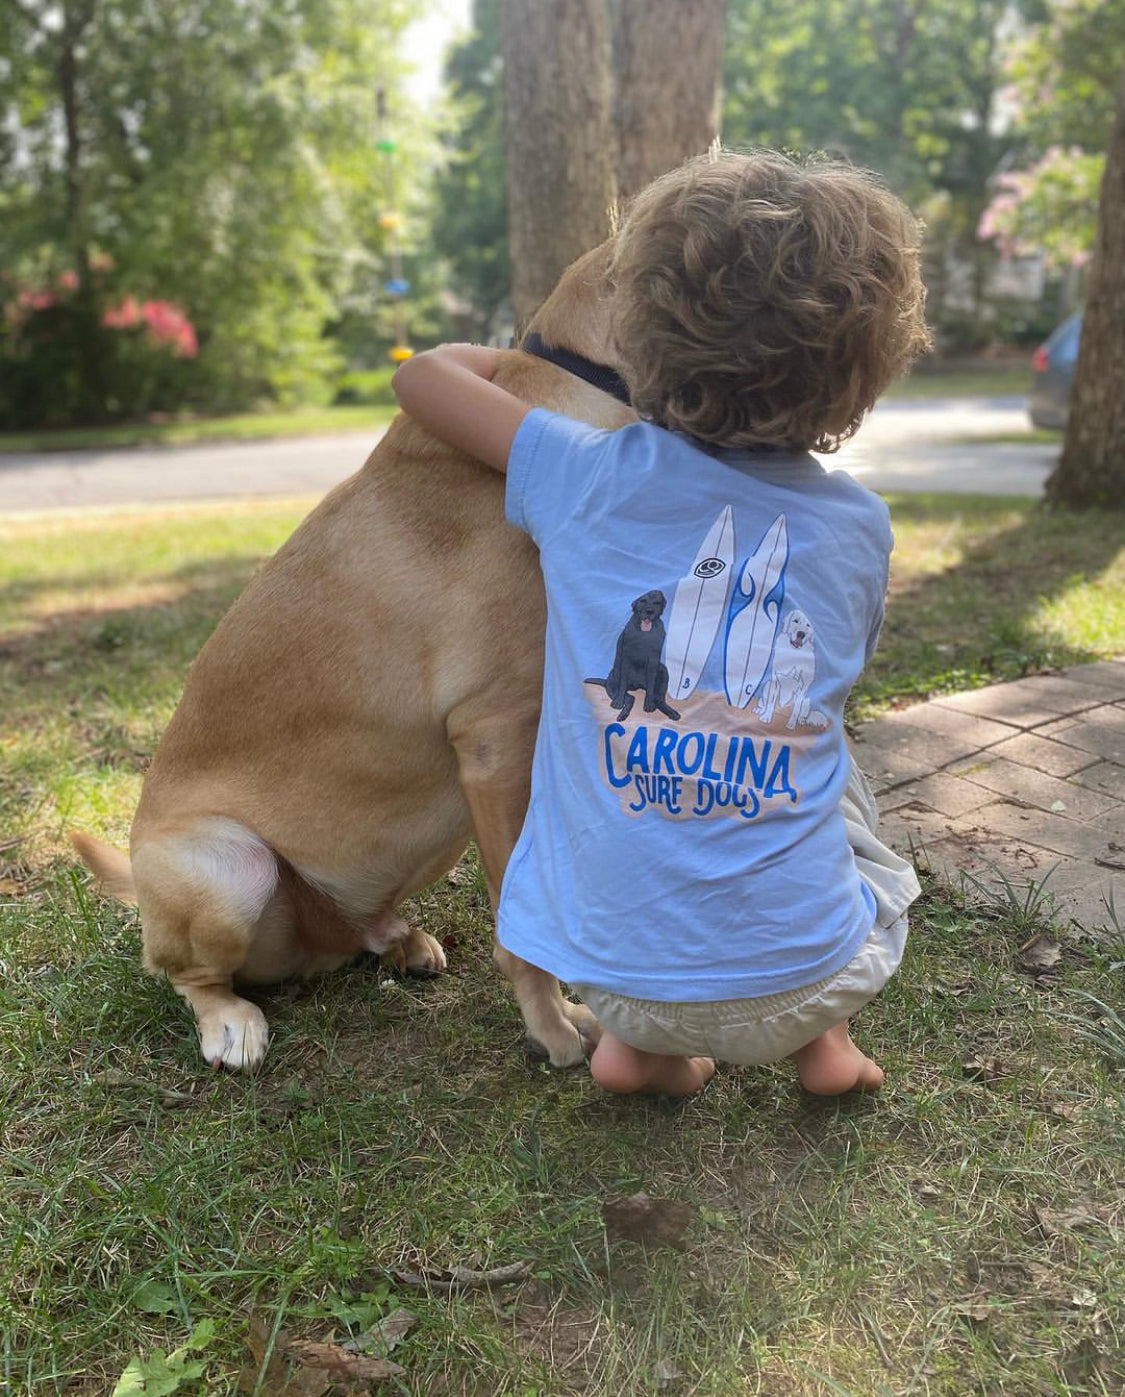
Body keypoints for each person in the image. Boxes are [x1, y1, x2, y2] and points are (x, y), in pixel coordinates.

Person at [392, 149, 929, 1097]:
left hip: (616, 977)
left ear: (635, 337)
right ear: (866, 378)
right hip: (811, 969)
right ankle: (827, 1049)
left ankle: (634, 1053)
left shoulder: (580, 477)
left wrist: (512, 363)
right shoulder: (859, 529)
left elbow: (423, 380)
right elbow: (831, 676)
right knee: (832, 785)